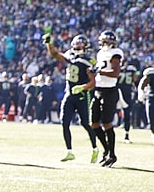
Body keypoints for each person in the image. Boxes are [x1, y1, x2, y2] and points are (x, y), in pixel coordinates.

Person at [43, 33, 99, 163]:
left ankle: (95, 148)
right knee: (64, 122)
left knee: (85, 123)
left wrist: (82, 87)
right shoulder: (70, 56)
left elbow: (93, 82)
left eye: (80, 46)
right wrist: (49, 43)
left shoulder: (89, 61)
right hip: (69, 94)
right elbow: (55, 54)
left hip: (82, 96)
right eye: (76, 45)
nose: (78, 48)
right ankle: (69, 152)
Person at [91, 30, 125, 167]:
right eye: (103, 41)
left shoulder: (116, 52)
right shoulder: (100, 53)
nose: (103, 43)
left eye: (106, 41)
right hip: (98, 90)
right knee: (93, 123)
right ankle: (107, 150)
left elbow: (115, 73)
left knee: (107, 123)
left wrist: (99, 71)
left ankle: (112, 154)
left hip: (110, 91)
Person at [117, 61, 139, 143]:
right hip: (126, 93)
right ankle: (126, 135)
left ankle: (104, 132)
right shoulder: (131, 69)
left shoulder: (117, 68)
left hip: (116, 92)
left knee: (108, 113)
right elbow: (135, 79)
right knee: (127, 114)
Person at [136, 65, 154, 145]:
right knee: (152, 119)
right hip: (152, 97)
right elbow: (142, 84)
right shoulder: (151, 73)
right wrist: (141, 93)